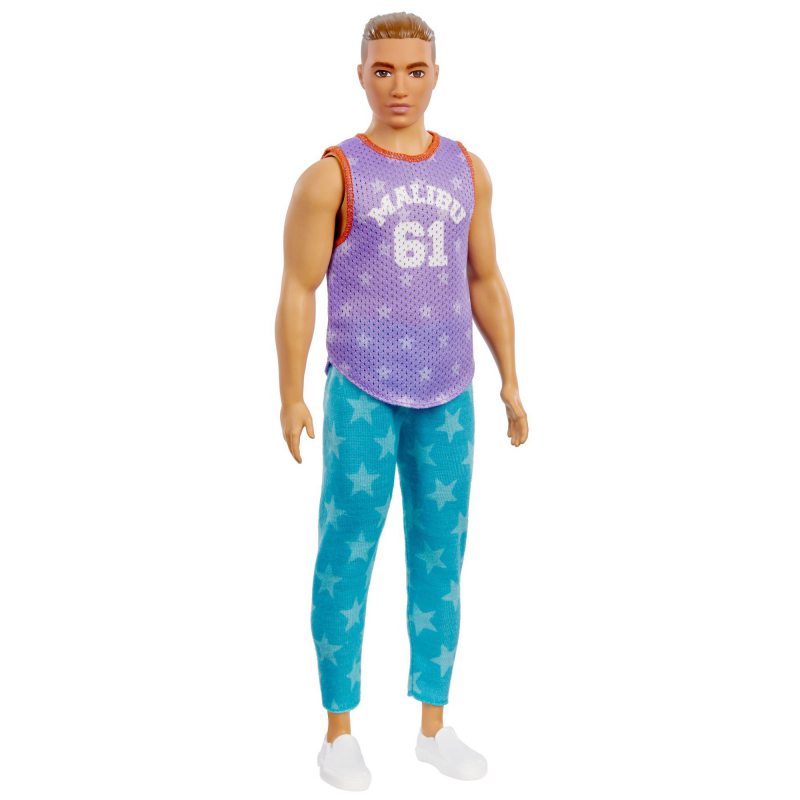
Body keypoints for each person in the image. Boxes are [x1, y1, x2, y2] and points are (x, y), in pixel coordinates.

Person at [275, 11, 528, 790]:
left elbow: (484, 277)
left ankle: (433, 723)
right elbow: (298, 286)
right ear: (361, 75)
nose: (399, 86)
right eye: (383, 70)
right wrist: (290, 393)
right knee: (346, 548)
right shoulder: (333, 174)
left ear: (435, 76)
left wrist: (511, 377)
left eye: (415, 70)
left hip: (448, 386)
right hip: (362, 384)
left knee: (441, 553)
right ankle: (338, 729)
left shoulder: (465, 168)